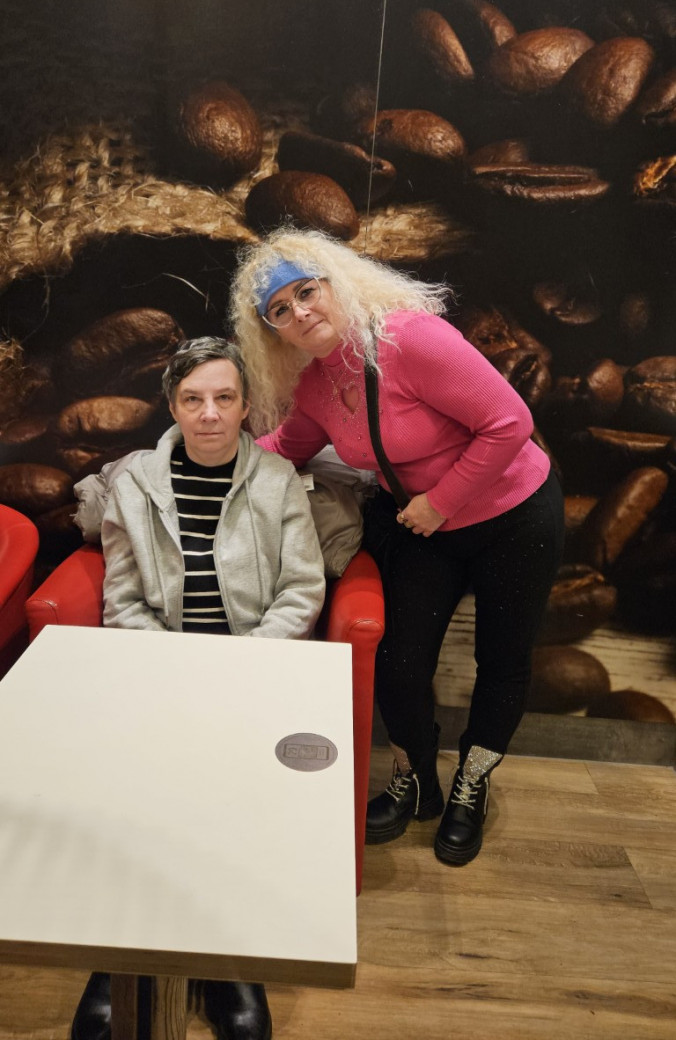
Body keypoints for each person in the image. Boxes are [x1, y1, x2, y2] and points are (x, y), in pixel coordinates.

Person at [230, 228, 564, 869]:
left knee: (502, 660)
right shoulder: (315, 385)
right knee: (400, 664)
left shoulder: (410, 339)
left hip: (515, 515)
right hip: (425, 529)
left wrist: (441, 501)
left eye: (307, 292)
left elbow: (510, 423)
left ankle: (470, 786)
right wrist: (207, 454)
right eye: (280, 309)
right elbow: (285, 449)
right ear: (272, 331)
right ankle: (416, 779)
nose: (300, 312)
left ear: (336, 284)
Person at [71, 336, 325, 1040]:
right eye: (193, 399)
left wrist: (242, 667)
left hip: (255, 669)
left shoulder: (278, 479)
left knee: (236, 792)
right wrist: (176, 673)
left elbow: (301, 589)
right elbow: (123, 598)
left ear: (245, 406)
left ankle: (227, 953)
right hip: (161, 669)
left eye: (223, 398)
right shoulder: (135, 482)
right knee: (135, 784)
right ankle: (122, 952)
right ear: (173, 405)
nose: (208, 413)